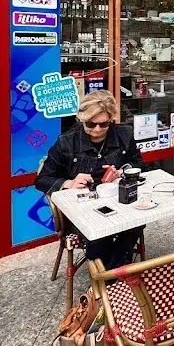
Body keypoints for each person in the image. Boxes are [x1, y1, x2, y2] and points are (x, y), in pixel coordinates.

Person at [35, 90, 146, 270]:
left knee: (136, 222)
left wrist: (122, 171)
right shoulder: (66, 142)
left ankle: (106, 278)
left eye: (103, 124)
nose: (97, 130)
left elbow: (139, 164)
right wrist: (69, 183)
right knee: (99, 234)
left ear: (111, 120)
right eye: (90, 124)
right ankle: (112, 275)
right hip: (82, 208)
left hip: (118, 201)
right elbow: (42, 179)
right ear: (82, 119)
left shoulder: (123, 135)